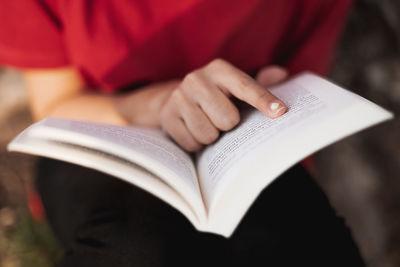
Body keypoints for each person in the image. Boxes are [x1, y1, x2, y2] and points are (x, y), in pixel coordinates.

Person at [0, 0, 366, 266]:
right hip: (105, 128)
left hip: (238, 135)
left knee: (304, 245)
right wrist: (160, 104)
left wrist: (276, 94)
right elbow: (56, 105)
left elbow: (300, 77)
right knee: (133, 250)